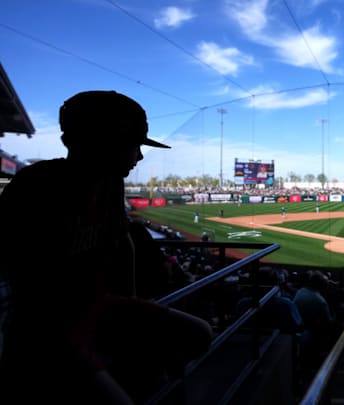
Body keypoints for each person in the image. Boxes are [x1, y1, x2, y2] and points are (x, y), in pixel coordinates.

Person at [0, 90, 212, 404]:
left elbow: (122, 242)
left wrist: (132, 306)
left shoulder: (111, 182)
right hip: (47, 327)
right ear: (102, 141)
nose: (139, 157)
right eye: (134, 145)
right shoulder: (36, 186)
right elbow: (28, 283)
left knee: (200, 333)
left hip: (102, 307)